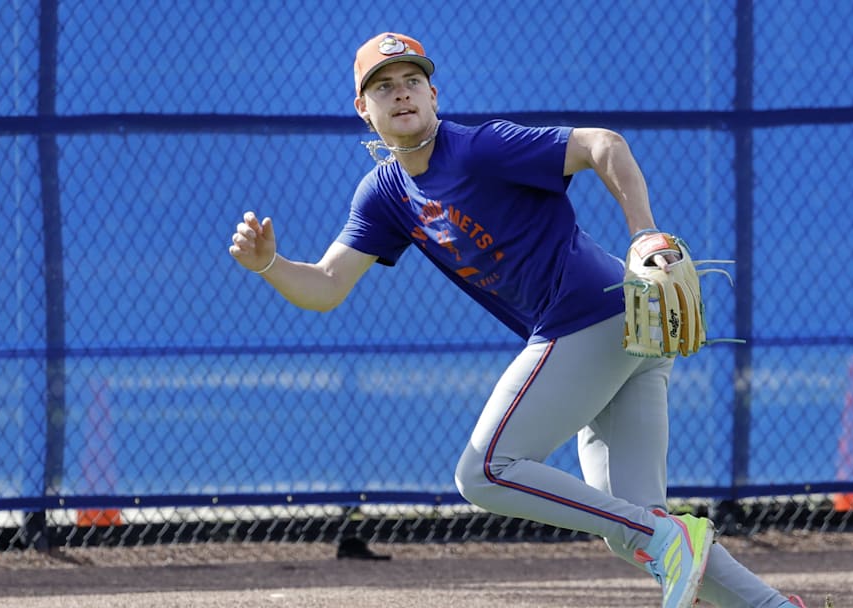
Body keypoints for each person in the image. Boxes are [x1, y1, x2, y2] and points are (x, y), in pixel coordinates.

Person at [229, 31, 807, 608]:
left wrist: (643, 232)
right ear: (363, 108)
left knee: (484, 472)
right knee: (635, 528)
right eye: (383, 87)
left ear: (434, 94)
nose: (400, 94)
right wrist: (269, 265)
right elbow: (327, 285)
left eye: (411, 82)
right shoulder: (384, 193)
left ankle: (666, 538)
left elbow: (602, 144)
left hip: (593, 317)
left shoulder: (479, 149)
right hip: (614, 335)